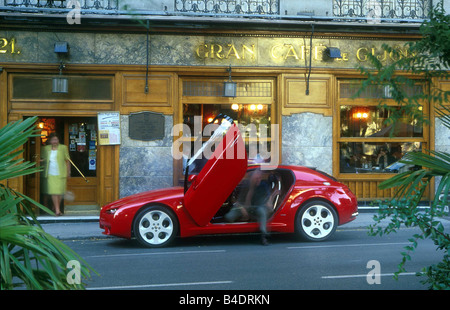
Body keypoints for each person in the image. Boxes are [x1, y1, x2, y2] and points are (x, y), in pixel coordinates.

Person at [225, 169, 280, 245]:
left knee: (261, 211)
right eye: (256, 178)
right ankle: (229, 232)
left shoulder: (263, 186)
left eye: (260, 178)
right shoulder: (245, 185)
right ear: (251, 178)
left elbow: (264, 204)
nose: (259, 180)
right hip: (243, 208)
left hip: (256, 208)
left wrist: (272, 196)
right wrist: (242, 208)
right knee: (229, 216)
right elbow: (235, 200)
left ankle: (263, 236)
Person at [41, 133, 71, 216]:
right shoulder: (46, 149)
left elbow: (67, 160)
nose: (55, 141)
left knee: (60, 192)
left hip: (61, 173)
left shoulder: (63, 148)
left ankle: (55, 207)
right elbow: (42, 159)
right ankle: (57, 210)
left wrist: (68, 172)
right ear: (50, 141)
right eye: (53, 140)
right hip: (50, 173)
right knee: (54, 191)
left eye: (56, 139)